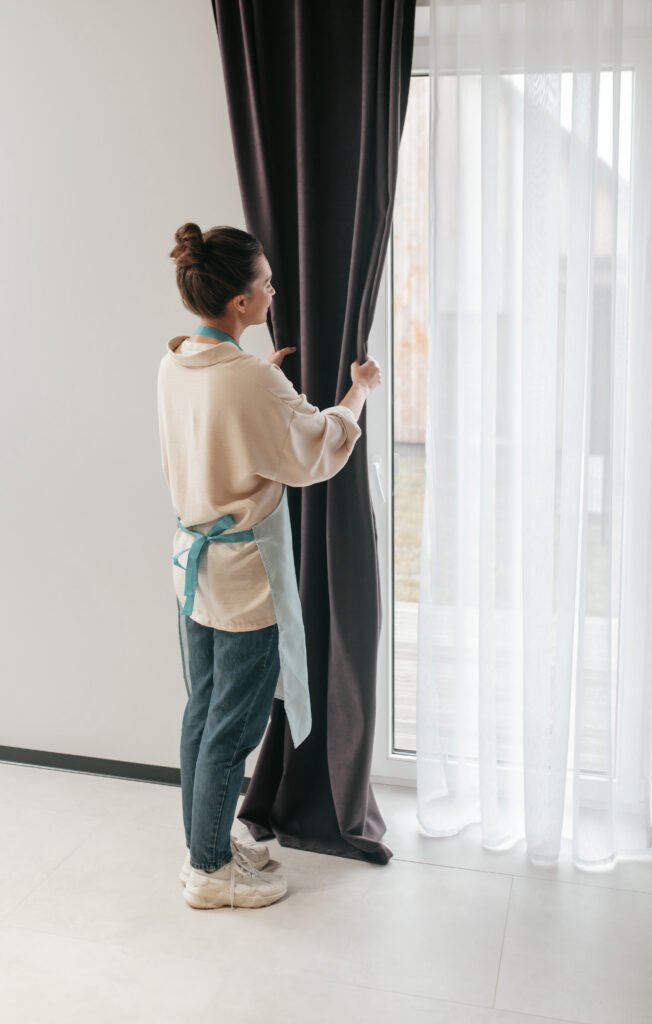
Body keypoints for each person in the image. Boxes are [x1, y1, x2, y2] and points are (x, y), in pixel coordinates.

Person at [156, 222, 382, 910]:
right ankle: (210, 873)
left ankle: (206, 846)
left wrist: (269, 381)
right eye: (265, 283)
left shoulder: (176, 361)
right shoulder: (251, 381)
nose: (273, 289)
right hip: (240, 577)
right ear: (242, 304)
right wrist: (359, 392)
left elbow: (233, 415)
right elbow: (312, 447)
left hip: (190, 567)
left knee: (202, 715)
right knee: (234, 727)